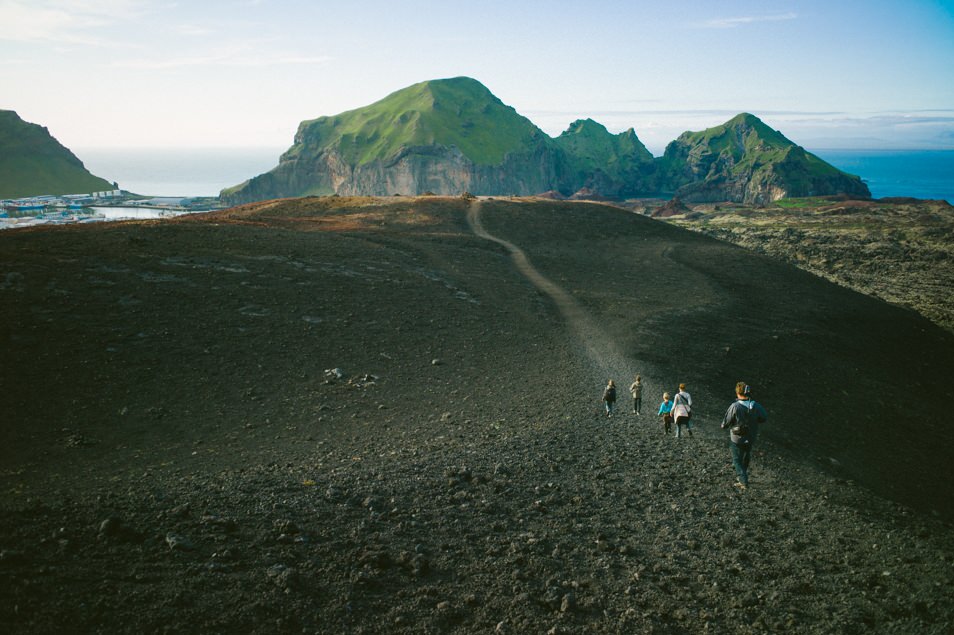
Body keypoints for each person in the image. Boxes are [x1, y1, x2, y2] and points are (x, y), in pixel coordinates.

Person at [720, 382, 768, 491]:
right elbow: (764, 417)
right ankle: (743, 475)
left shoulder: (735, 406)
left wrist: (723, 425)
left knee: (736, 459)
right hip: (751, 436)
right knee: (746, 456)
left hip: (737, 438)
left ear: (738, 392)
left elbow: (727, 421)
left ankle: (743, 480)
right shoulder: (756, 405)